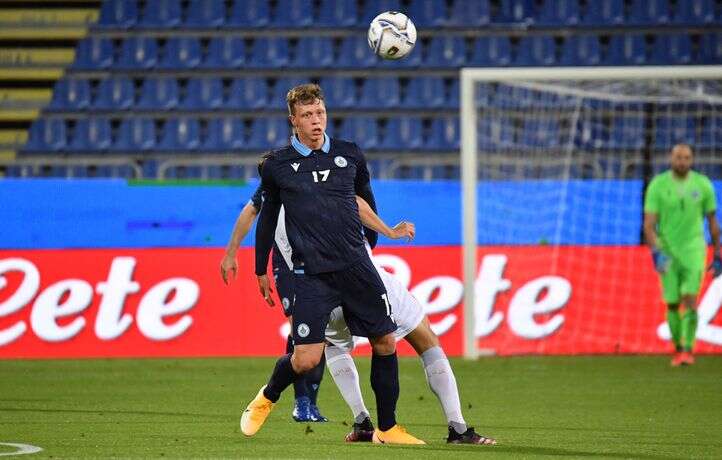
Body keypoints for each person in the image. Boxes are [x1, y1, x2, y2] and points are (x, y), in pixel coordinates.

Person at [240, 83, 424, 444]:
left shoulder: (349, 154)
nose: (315, 121)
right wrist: (260, 268)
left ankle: (386, 428)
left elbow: (360, 201)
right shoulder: (276, 165)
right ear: (293, 120)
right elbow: (266, 217)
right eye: (307, 115)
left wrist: (383, 233)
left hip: (356, 267)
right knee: (306, 359)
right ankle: (267, 397)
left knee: (385, 340)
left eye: (320, 113)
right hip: (312, 275)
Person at [221, 190, 327, 423]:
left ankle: (311, 403)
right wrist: (231, 253)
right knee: (300, 330)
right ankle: (301, 403)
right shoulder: (274, 180)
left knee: (322, 334)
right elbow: (250, 212)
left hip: (318, 263)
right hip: (288, 266)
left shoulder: (317, 173)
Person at [643, 144, 721, 367]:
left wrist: (718, 253)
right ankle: (678, 349)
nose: (682, 162)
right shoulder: (658, 185)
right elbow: (649, 225)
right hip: (667, 251)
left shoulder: (703, 184)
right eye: (678, 157)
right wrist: (656, 252)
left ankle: (688, 349)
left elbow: (713, 223)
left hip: (694, 250)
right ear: (671, 157)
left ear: (692, 159)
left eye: (686, 158)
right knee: (672, 303)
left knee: (690, 298)